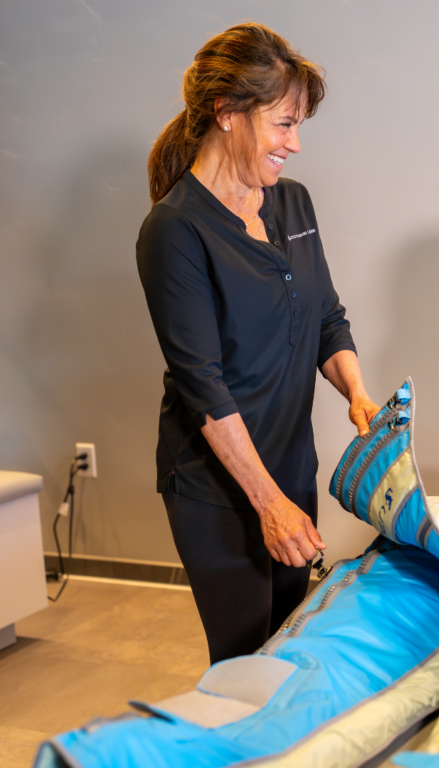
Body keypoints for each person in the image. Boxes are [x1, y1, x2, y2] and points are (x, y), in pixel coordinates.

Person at [137, 23, 378, 664]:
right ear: (227, 114)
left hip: (292, 468)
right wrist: (268, 504)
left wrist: (358, 396)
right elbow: (203, 386)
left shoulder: (291, 205)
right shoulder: (176, 230)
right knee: (245, 664)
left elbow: (325, 315)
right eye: (283, 124)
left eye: (299, 125)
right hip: (220, 487)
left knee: (291, 649)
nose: (295, 144)